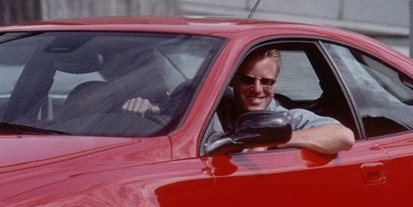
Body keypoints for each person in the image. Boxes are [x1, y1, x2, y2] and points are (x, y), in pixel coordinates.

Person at [122, 47, 354, 156]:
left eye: (267, 82)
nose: (257, 89)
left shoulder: (287, 118)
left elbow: (343, 137)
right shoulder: (214, 110)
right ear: (232, 80)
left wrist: (276, 139)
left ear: (276, 83)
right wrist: (148, 109)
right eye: (248, 80)